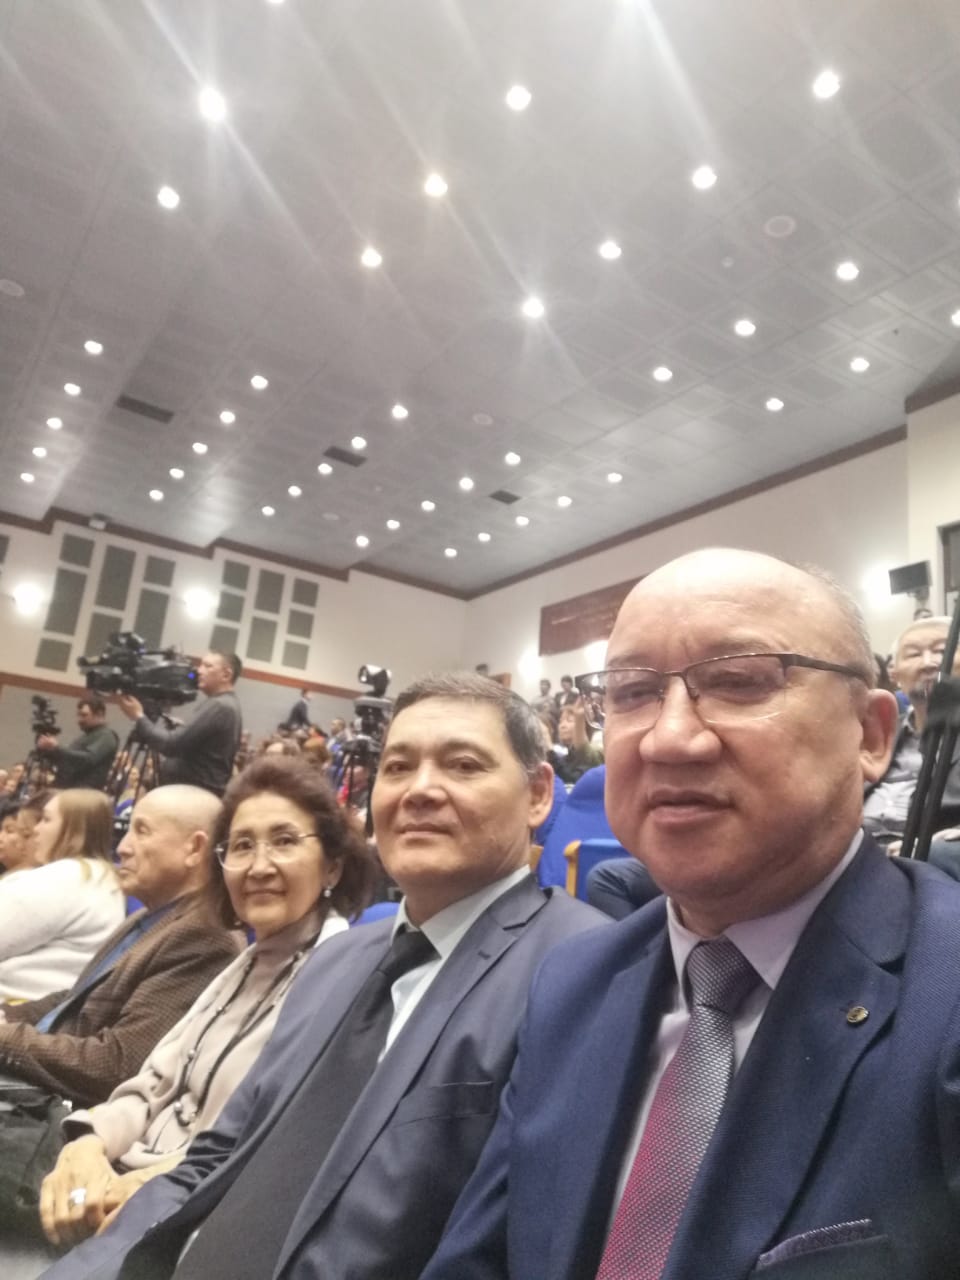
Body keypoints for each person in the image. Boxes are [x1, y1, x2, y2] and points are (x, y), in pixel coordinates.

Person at [422, 548, 960, 1280]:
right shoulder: (573, 984)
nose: (670, 738)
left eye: (739, 682)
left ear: (870, 734)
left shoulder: (944, 988)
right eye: (632, 692)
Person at [40, 672, 603, 1280]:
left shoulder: (582, 967)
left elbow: (523, 1246)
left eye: (463, 765)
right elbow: (219, 1154)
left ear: (538, 794)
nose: (420, 789)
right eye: (397, 767)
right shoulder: (338, 960)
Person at [39, 756, 375, 1250]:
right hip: (121, 1176)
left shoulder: (345, 980)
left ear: (333, 866)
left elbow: (265, 1145)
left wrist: (142, 1186)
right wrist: (87, 1144)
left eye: (284, 841)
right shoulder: (242, 965)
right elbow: (149, 1089)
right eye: (242, 846)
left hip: (196, 1218)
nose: (258, 866)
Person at [0, 786, 242, 1107]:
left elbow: (117, 1066)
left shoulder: (204, 937)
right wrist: (9, 1015)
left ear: (194, 848)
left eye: (141, 831)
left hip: (57, 1107)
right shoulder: (148, 917)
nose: (123, 848)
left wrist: (6, 1039)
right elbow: (74, 1001)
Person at [0, 791, 124, 1002]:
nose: (36, 829)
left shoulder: (65, 877)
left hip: (14, 1006)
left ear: (74, 830)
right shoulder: (100, 877)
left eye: (46, 820)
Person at [863, 615, 960, 844]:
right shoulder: (874, 731)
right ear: (894, 674)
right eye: (914, 654)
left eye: (941, 651)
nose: (928, 663)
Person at [118, 652, 242, 797]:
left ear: (226, 675)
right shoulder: (226, 703)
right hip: (190, 793)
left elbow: (170, 745)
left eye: (208, 666)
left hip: (191, 796)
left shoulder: (220, 705)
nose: (199, 671)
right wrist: (183, 730)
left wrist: (138, 716)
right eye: (200, 665)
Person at [36, 698, 119, 791]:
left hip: (83, 792)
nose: (79, 720)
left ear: (99, 714)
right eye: (79, 715)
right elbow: (68, 761)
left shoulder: (106, 736)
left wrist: (57, 748)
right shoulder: (85, 737)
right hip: (67, 789)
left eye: (84, 715)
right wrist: (50, 750)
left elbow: (88, 759)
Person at [553, 699, 604, 785]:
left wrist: (579, 717)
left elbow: (584, 751)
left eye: (569, 720)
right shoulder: (563, 757)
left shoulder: (594, 753)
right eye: (560, 721)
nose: (562, 726)